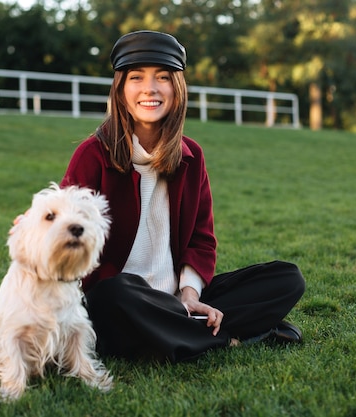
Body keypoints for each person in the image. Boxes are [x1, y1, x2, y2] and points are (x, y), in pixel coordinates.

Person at [48, 30, 304, 363]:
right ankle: (222, 337)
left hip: (177, 296)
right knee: (113, 294)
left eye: (163, 78)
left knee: (286, 278)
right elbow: (70, 238)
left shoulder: (191, 156)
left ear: (177, 89)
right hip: (122, 298)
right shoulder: (92, 155)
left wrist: (189, 294)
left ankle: (181, 325)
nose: (150, 89)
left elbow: (201, 238)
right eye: (136, 77)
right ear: (121, 89)